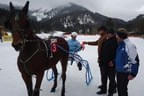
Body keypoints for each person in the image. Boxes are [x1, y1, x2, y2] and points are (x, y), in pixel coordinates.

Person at [115, 28, 139, 96]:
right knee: (119, 89)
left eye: (117, 36)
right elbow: (120, 57)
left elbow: (135, 60)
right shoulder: (120, 44)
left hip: (125, 72)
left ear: (121, 36)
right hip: (119, 71)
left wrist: (133, 73)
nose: (116, 37)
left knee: (123, 90)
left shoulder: (130, 45)